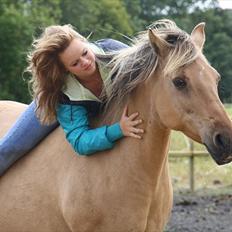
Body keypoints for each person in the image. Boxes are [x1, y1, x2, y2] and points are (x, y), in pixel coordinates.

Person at [0, 24, 144, 175]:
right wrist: (118, 130)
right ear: (65, 70)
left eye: (85, 52)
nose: (85, 62)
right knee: (9, 148)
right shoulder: (61, 94)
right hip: (53, 102)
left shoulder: (115, 51)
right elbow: (80, 141)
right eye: (75, 63)